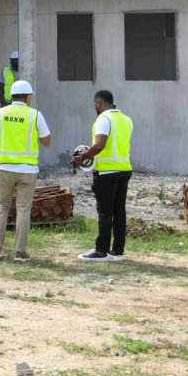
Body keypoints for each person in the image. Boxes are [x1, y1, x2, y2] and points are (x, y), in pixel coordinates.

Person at [0, 80, 51, 262]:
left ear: (11, 96)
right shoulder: (35, 115)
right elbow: (47, 141)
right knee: (23, 209)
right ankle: (20, 252)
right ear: (28, 97)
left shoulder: (0, 114)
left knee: (2, 208)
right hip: (27, 170)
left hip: (5, 168)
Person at [74, 90, 135, 263]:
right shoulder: (126, 119)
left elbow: (99, 145)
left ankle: (101, 251)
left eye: (95, 104)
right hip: (124, 169)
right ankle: (117, 250)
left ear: (99, 103)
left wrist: (81, 157)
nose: (95, 107)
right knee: (119, 211)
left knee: (105, 212)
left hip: (107, 173)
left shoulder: (103, 119)